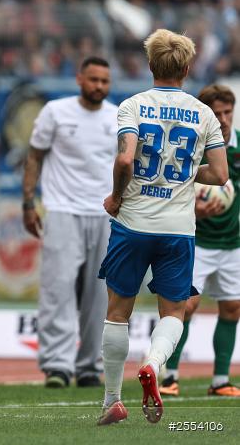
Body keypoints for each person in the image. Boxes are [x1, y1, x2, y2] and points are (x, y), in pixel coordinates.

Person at [97, 29, 228, 426]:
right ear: (187, 69)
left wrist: (117, 196)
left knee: (118, 312)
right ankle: (153, 362)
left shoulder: (132, 105)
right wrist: (186, 175)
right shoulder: (205, 114)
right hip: (178, 229)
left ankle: (112, 401)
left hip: (133, 223)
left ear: (151, 65)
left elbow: (124, 161)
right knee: (173, 311)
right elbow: (220, 174)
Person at [22, 57, 117, 388]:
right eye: (93, 80)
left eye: (105, 81)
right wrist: (28, 203)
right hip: (62, 209)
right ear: (79, 79)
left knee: (100, 293)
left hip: (105, 213)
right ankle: (57, 365)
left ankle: (90, 365)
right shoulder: (56, 112)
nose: (99, 87)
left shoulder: (118, 116)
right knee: (58, 287)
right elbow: (34, 156)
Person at [161, 85, 240, 398]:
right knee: (186, 305)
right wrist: (193, 208)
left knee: (232, 308)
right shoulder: (192, 146)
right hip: (197, 239)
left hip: (233, 242)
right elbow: (172, 186)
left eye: (227, 112)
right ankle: (170, 376)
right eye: (216, 113)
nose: (222, 119)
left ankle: (220, 380)